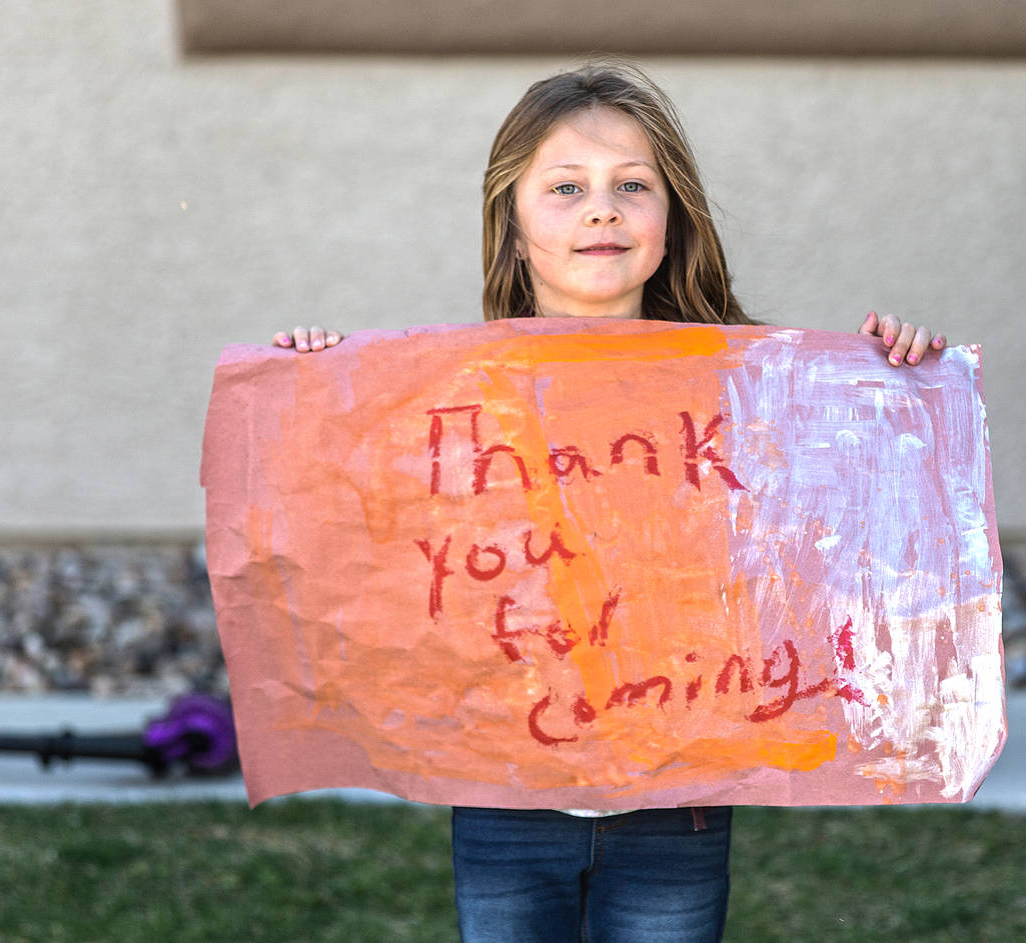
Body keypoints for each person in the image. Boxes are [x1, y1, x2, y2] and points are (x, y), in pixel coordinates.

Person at [272, 61, 946, 942]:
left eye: (633, 185)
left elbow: (827, 525)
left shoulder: (746, 391)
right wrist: (316, 383)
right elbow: (378, 528)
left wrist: (883, 380)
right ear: (512, 231)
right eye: (566, 188)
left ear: (671, 223)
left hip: (678, 805)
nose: (603, 208)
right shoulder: (460, 400)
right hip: (505, 795)